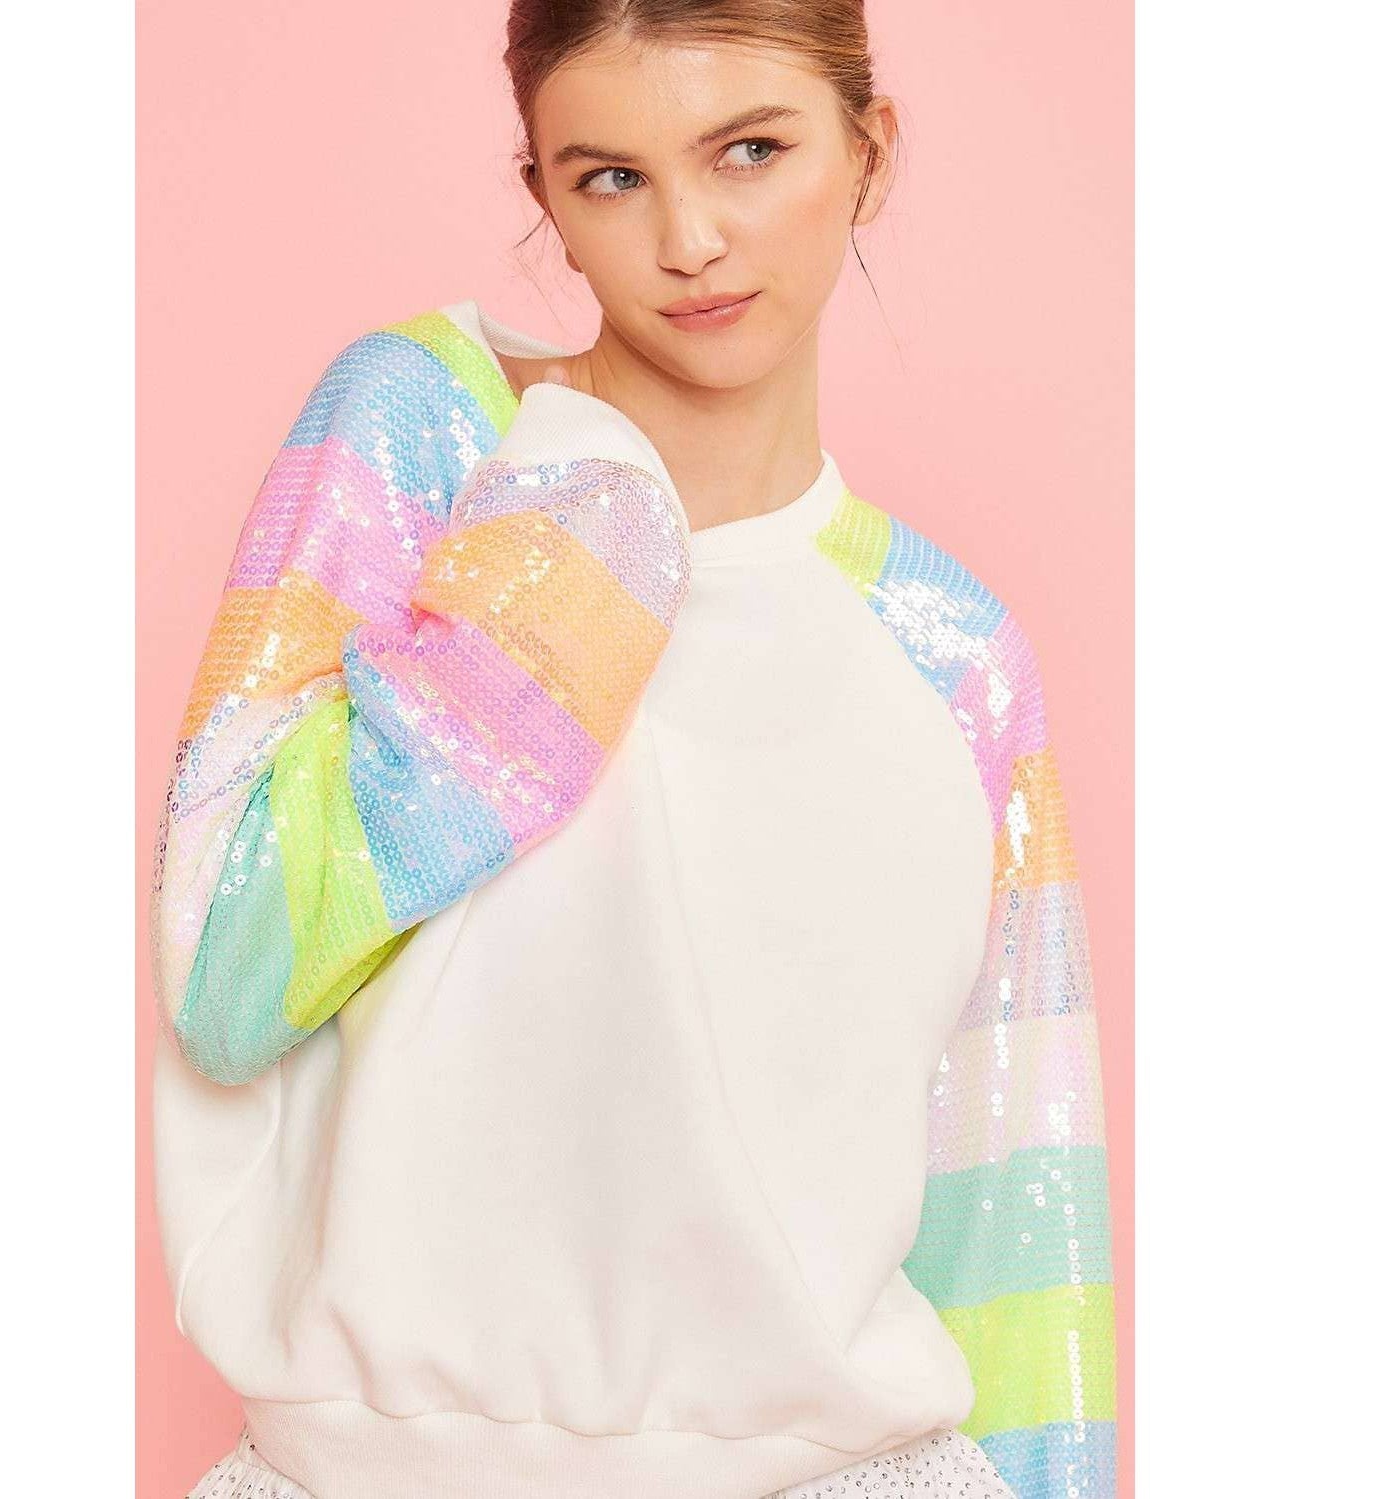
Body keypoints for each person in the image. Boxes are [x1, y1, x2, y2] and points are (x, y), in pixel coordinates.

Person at [150, 3, 1119, 1497]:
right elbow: (227, 975)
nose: (691, 242)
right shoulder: (436, 429)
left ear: (869, 156)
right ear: (544, 194)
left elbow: (1012, 1210)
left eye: (752, 152)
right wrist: (572, 573)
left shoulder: (952, 647)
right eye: (611, 177)